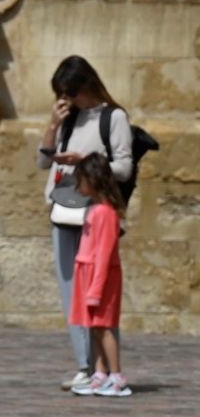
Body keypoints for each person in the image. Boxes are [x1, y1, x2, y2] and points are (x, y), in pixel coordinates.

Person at [35, 56, 133, 392]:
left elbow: (124, 168)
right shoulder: (68, 118)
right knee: (71, 292)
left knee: (98, 292)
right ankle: (85, 366)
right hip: (62, 207)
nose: (67, 98)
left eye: (71, 91)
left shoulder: (113, 117)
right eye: (61, 93)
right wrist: (52, 126)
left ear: (87, 84)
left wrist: (86, 162)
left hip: (94, 213)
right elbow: (41, 162)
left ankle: (106, 370)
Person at [68, 154, 130, 397]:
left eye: (81, 180)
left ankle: (116, 375)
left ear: (93, 180)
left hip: (100, 277)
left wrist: (95, 289)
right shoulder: (95, 211)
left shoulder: (105, 213)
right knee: (94, 326)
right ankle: (100, 372)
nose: (78, 186)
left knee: (105, 327)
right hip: (89, 274)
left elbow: (103, 254)